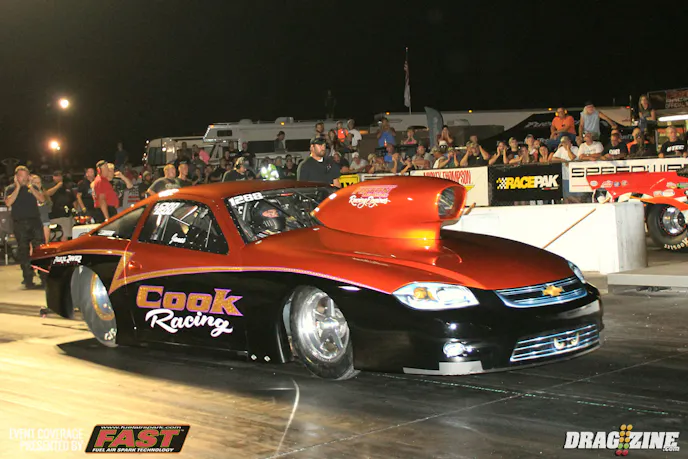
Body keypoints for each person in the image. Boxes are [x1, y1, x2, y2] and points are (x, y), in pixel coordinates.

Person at [4, 166, 45, 289]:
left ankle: (44, 277)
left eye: (25, 176)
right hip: (20, 223)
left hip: (35, 222)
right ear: (16, 177)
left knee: (40, 250)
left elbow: (42, 199)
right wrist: (17, 187)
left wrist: (31, 187)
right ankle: (28, 279)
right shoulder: (10, 189)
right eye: (21, 176)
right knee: (24, 251)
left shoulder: (33, 187)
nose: (23, 178)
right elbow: (8, 202)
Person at [45, 170, 76, 241]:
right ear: (53, 177)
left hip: (66, 215)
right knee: (54, 236)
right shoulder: (49, 185)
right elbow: (47, 194)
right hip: (54, 215)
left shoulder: (67, 186)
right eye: (57, 176)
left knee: (65, 235)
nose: (59, 178)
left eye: (60, 176)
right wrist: (58, 186)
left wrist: (74, 210)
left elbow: (73, 199)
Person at [31, 174, 52, 243]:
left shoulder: (44, 194)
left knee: (45, 243)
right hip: (33, 222)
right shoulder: (28, 194)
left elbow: (49, 207)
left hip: (45, 221)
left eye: (39, 182)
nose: (38, 184)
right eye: (35, 183)